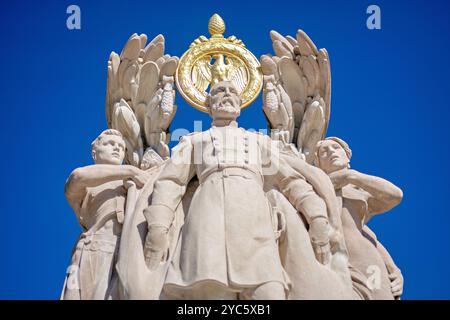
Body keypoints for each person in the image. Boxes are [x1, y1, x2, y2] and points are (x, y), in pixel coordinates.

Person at [143, 81, 342, 300]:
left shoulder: (258, 141)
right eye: (219, 91)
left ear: (240, 104)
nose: (227, 94)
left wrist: (317, 217)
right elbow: (171, 181)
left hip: (255, 219)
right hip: (208, 219)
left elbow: (291, 180)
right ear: (209, 105)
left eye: (233, 92)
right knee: (211, 290)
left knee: (269, 291)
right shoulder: (193, 140)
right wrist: (158, 227)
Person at [62, 129, 148, 299]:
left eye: (121, 147)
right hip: (96, 248)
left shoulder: (131, 182)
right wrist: (131, 170)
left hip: (129, 250)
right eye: (110, 144)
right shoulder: (88, 182)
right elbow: (77, 178)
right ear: (95, 152)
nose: (116, 149)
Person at [315, 137, 404, 299]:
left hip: (366, 260)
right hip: (329, 259)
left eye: (336, 147)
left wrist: (393, 268)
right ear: (318, 163)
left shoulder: (357, 190)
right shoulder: (313, 186)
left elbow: (395, 195)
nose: (331, 152)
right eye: (324, 151)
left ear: (347, 156)